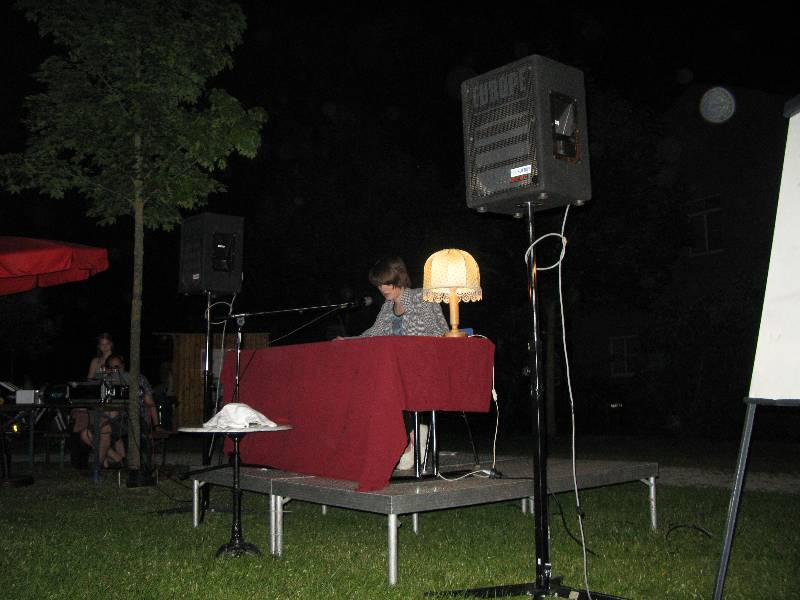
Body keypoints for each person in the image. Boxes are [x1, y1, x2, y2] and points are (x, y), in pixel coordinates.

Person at [346, 256, 448, 469]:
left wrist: (408, 350)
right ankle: (412, 434)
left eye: (387, 283)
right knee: (369, 382)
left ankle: (409, 440)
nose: (382, 288)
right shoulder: (387, 307)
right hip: (396, 371)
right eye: (379, 284)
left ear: (399, 278)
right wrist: (347, 341)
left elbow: (439, 334)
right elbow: (372, 334)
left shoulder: (422, 297)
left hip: (424, 368)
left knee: (384, 383)